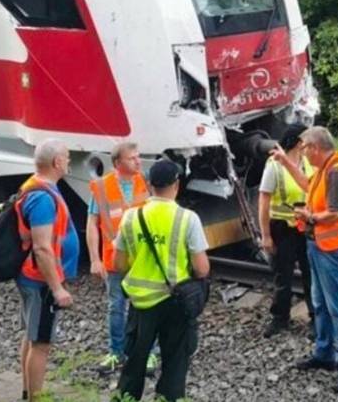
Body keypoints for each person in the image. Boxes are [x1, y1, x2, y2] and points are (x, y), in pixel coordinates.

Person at [273, 126, 338, 393]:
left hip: (333, 247)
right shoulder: (326, 168)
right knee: (321, 303)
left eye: (304, 149)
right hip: (321, 245)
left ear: (315, 148)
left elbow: (336, 214)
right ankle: (324, 353)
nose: (303, 153)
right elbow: (307, 185)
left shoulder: (336, 172)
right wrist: (286, 162)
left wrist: (309, 217)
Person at [113, 160, 210, 402]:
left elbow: (118, 265)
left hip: (140, 303)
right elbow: (201, 268)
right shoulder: (188, 218)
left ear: (148, 184)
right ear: (176, 185)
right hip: (175, 302)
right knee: (175, 363)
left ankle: (126, 398)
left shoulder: (130, 217)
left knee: (135, 361)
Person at [16, 139, 79, 402]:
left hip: (30, 275)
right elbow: (42, 248)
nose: (69, 162)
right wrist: (56, 288)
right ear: (57, 162)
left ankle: (27, 391)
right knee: (41, 344)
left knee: (31, 337)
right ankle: (35, 398)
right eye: (67, 157)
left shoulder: (35, 186)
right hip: (41, 281)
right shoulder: (42, 197)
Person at [85, 141, 153, 374]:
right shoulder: (102, 187)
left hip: (143, 258)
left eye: (138, 156)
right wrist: (94, 259)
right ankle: (117, 352)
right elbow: (92, 224)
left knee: (145, 306)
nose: (138, 161)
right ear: (117, 163)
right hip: (115, 260)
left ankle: (149, 354)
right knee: (117, 307)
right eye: (132, 158)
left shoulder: (144, 181)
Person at [258, 123, 316, 338]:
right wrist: (265, 235)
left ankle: (315, 318)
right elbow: (264, 200)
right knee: (283, 276)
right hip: (282, 227)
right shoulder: (274, 165)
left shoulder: (309, 163)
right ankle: (280, 318)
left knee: (311, 275)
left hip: (306, 226)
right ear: (299, 142)